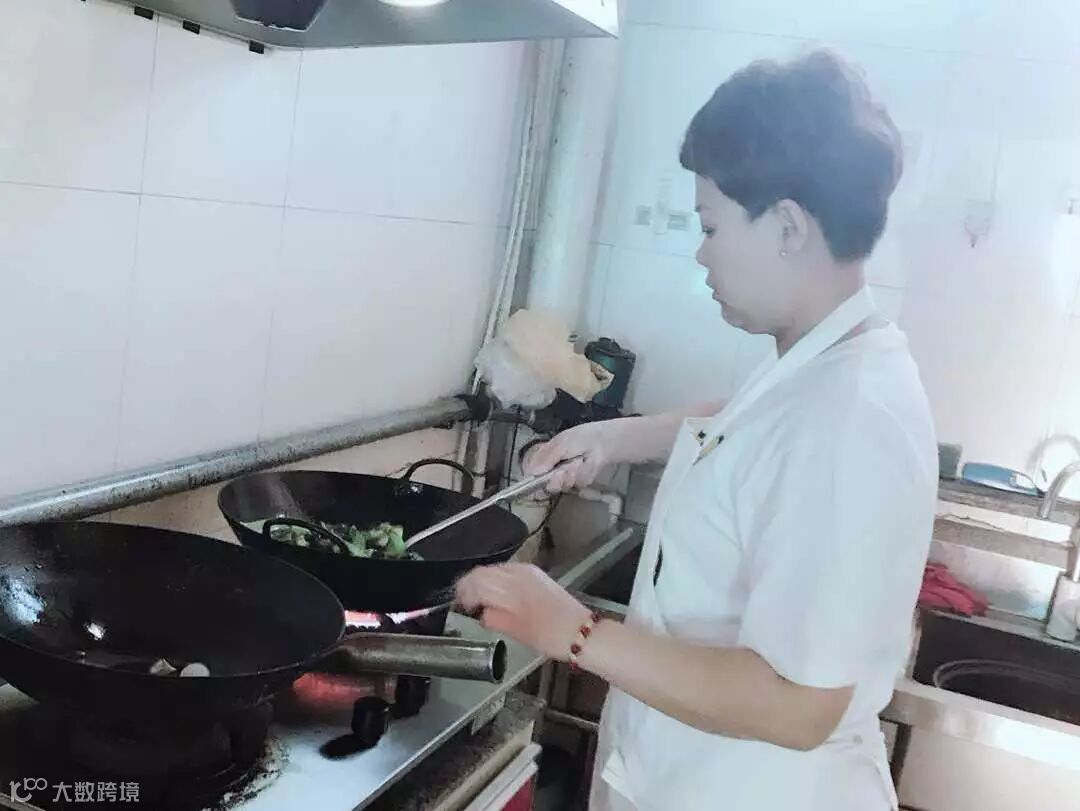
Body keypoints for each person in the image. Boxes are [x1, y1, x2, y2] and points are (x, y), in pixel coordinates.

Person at [456, 49, 937, 811]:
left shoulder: (850, 419)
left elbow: (799, 705)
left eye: (711, 225)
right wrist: (617, 439)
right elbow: (752, 420)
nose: (702, 252)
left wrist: (573, 629)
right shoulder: (823, 364)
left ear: (788, 226)